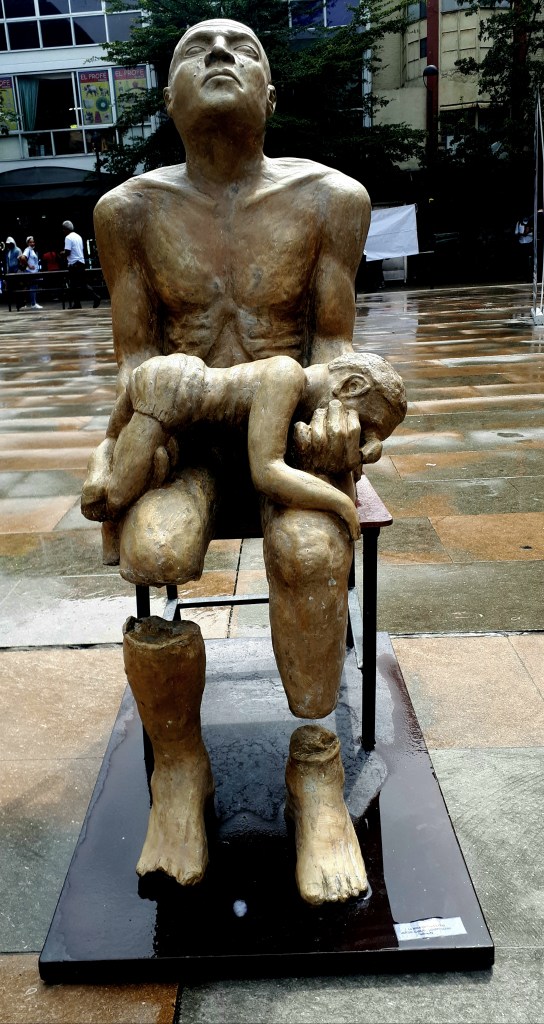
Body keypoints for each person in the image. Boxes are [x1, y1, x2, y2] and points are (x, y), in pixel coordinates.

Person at [89, 18, 392, 905]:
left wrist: (338, 414)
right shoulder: (128, 213)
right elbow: (134, 359)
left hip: (282, 427)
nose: (220, 54)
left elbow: (333, 346)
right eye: (197, 47)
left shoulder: (330, 199)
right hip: (183, 439)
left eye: (243, 47)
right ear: (168, 96)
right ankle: (180, 766)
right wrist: (143, 424)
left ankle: (317, 767)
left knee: (310, 550)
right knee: (153, 550)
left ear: (271, 93)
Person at [82, 350, 406, 539]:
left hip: (183, 428)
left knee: (129, 466)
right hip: (172, 389)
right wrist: (340, 503)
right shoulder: (287, 375)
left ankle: (121, 460)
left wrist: (346, 469)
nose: (356, 436)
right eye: (366, 429)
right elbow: (267, 472)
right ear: (351, 387)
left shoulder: (305, 407)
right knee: (113, 500)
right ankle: (101, 466)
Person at [62, 220, 101, 309]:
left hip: (74, 264)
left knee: (74, 285)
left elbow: (68, 252)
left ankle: (95, 297)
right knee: (80, 284)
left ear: (66, 229)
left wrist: (62, 253)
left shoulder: (68, 238)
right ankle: (78, 303)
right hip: (81, 262)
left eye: (64, 229)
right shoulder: (78, 236)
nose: (63, 231)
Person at [19, 236, 42, 310]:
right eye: (30, 242)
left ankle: (34, 302)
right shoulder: (27, 250)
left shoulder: (32, 250)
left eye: (33, 242)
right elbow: (22, 258)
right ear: (27, 243)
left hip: (34, 272)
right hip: (30, 272)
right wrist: (29, 266)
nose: (32, 243)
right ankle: (33, 304)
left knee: (34, 287)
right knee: (32, 287)